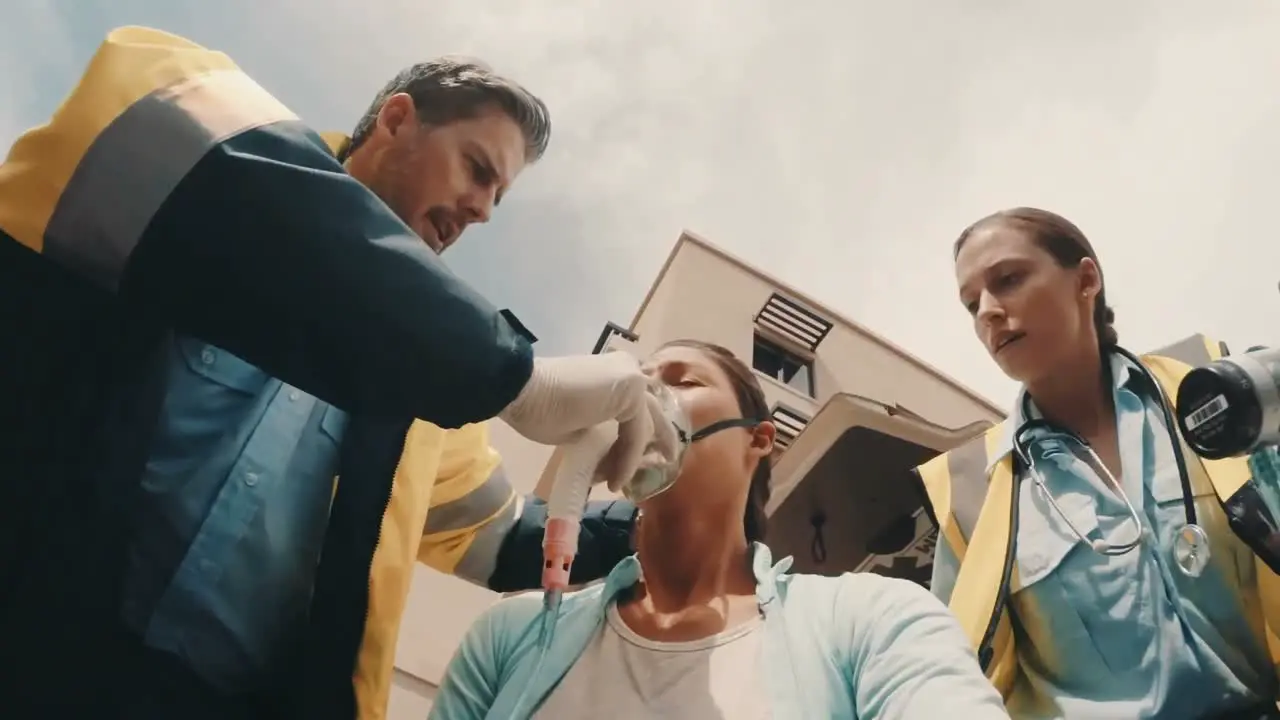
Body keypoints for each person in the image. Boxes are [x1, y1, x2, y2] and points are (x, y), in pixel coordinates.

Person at [0, 26, 676, 719]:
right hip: (30, 638)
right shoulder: (196, 139)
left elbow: (502, 539)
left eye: (496, 198)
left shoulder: (431, 383)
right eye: (477, 168)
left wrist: (659, 517)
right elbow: (182, 134)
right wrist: (518, 376)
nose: (481, 210)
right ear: (395, 119)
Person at [429, 339, 1011, 720]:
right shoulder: (511, 637)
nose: (644, 396)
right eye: (634, 379)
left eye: (681, 380)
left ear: (759, 439)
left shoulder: (869, 620)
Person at [917, 206, 1280, 719]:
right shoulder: (967, 493)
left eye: (1009, 279)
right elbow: (948, 687)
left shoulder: (1211, 394)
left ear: (1086, 280)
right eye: (971, 303)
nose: (988, 313)